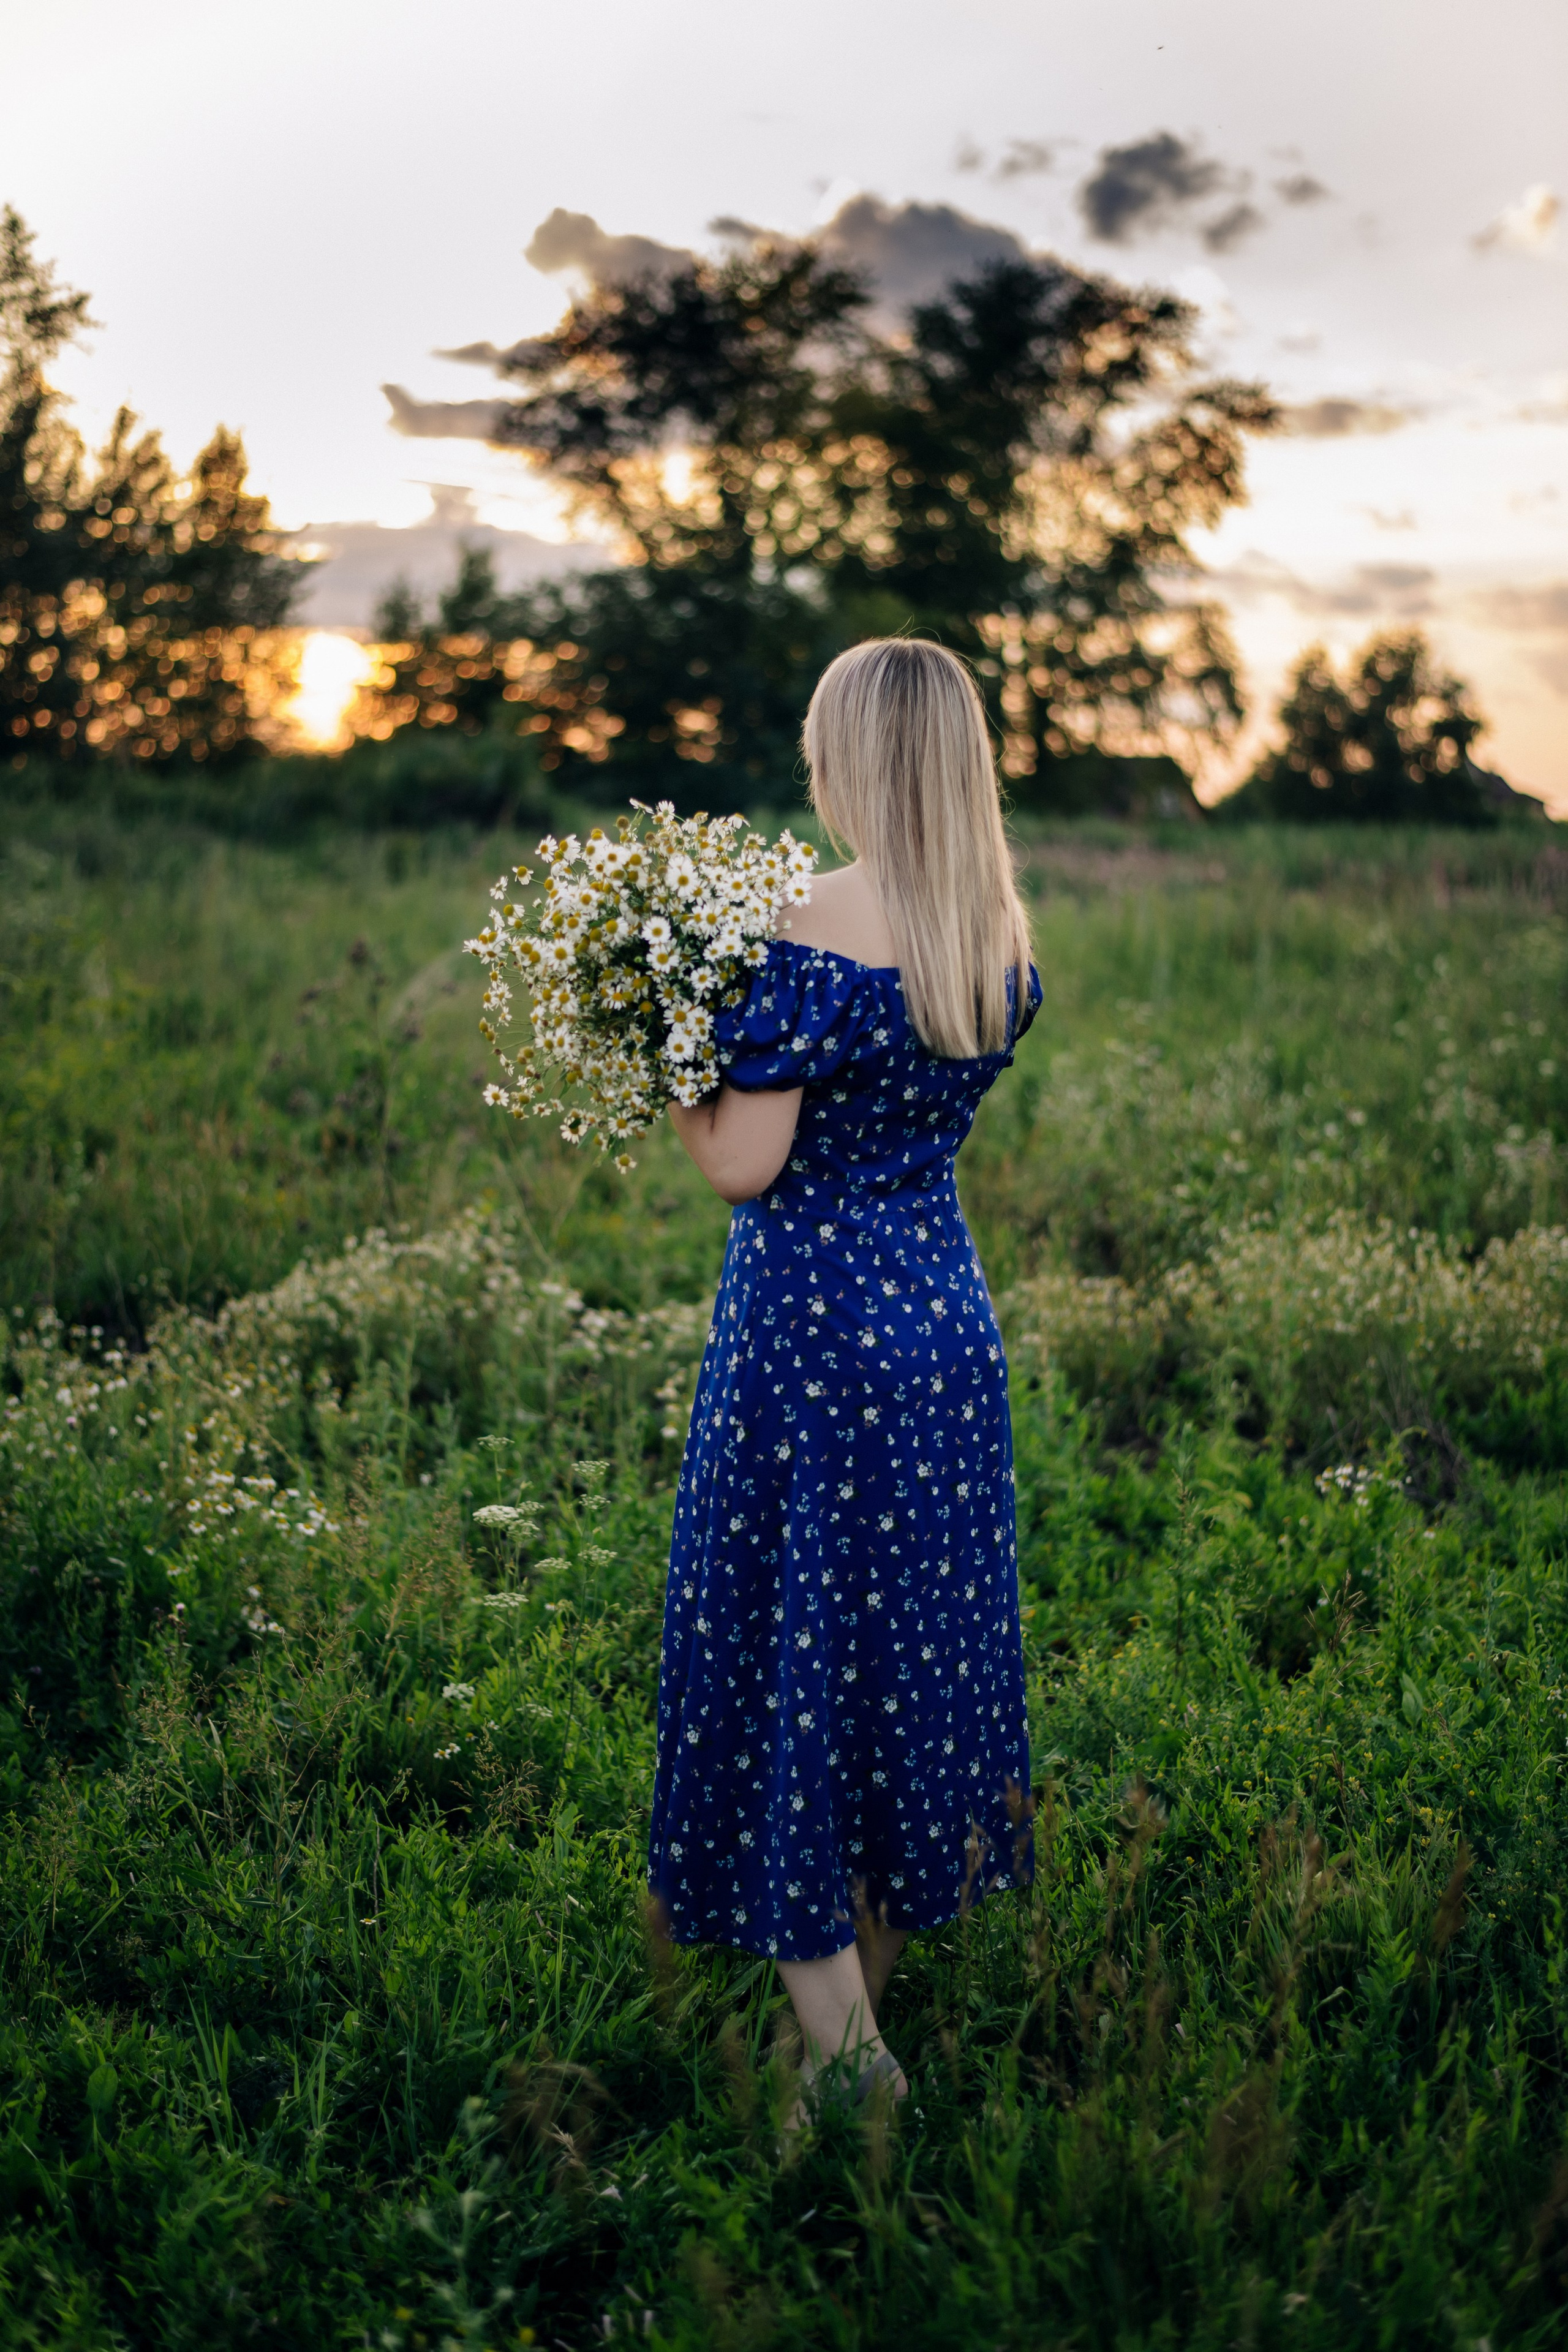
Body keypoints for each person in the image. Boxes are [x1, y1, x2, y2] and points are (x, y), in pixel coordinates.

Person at [650, 637, 1039, 2115]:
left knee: (782, 1653)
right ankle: (860, 1989)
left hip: (811, 1344)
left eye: (819, 744)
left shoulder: (799, 924)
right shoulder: (989, 929)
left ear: (848, 761)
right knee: (899, 1656)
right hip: (940, 1331)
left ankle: (850, 2064)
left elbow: (741, 1167)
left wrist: (666, 1047)